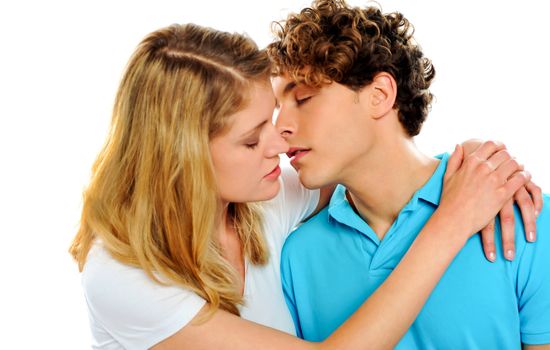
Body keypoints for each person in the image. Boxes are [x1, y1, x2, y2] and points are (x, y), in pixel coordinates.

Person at [70, 22, 538, 350]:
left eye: (271, 119)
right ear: (183, 158)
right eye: (252, 139)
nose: (277, 141)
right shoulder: (123, 274)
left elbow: (375, 159)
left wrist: (481, 158)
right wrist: (450, 222)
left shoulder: (265, 198)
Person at [269, 1, 550, 349]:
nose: (279, 127)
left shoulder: (521, 213)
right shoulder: (298, 256)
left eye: (305, 98)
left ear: (380, 95)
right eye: (277, 108)